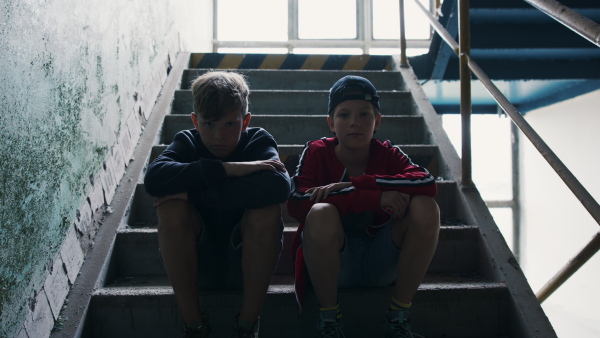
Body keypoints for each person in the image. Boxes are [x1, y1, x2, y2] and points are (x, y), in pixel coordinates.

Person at [287, 75, 440, 338]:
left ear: (377, 121)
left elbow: (427, 183)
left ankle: (397, 318)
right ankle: (329, 321)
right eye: (344, 115)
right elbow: (297, 203)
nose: (354, 122)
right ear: (331, 123)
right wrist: (374, 197)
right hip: (334, 264)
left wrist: (361, 183)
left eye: (364, 114)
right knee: (320, 211)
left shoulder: (388, 153)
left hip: (382, 261)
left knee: (426, 206)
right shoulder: (315, 151)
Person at [144, 71, 291, 338]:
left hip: (248, 263)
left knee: (267, 209)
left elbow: (279, 186)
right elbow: (154, 180)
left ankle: (247, 325)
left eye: (229, 125)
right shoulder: (187, 141)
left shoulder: (258, 141)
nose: (218, 136)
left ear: (245, 121)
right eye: (209, 125)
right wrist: (228, 169)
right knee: (171, 208)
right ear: (195, 122)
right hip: (197, 264)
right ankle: (195, 326)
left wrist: (192, 194)